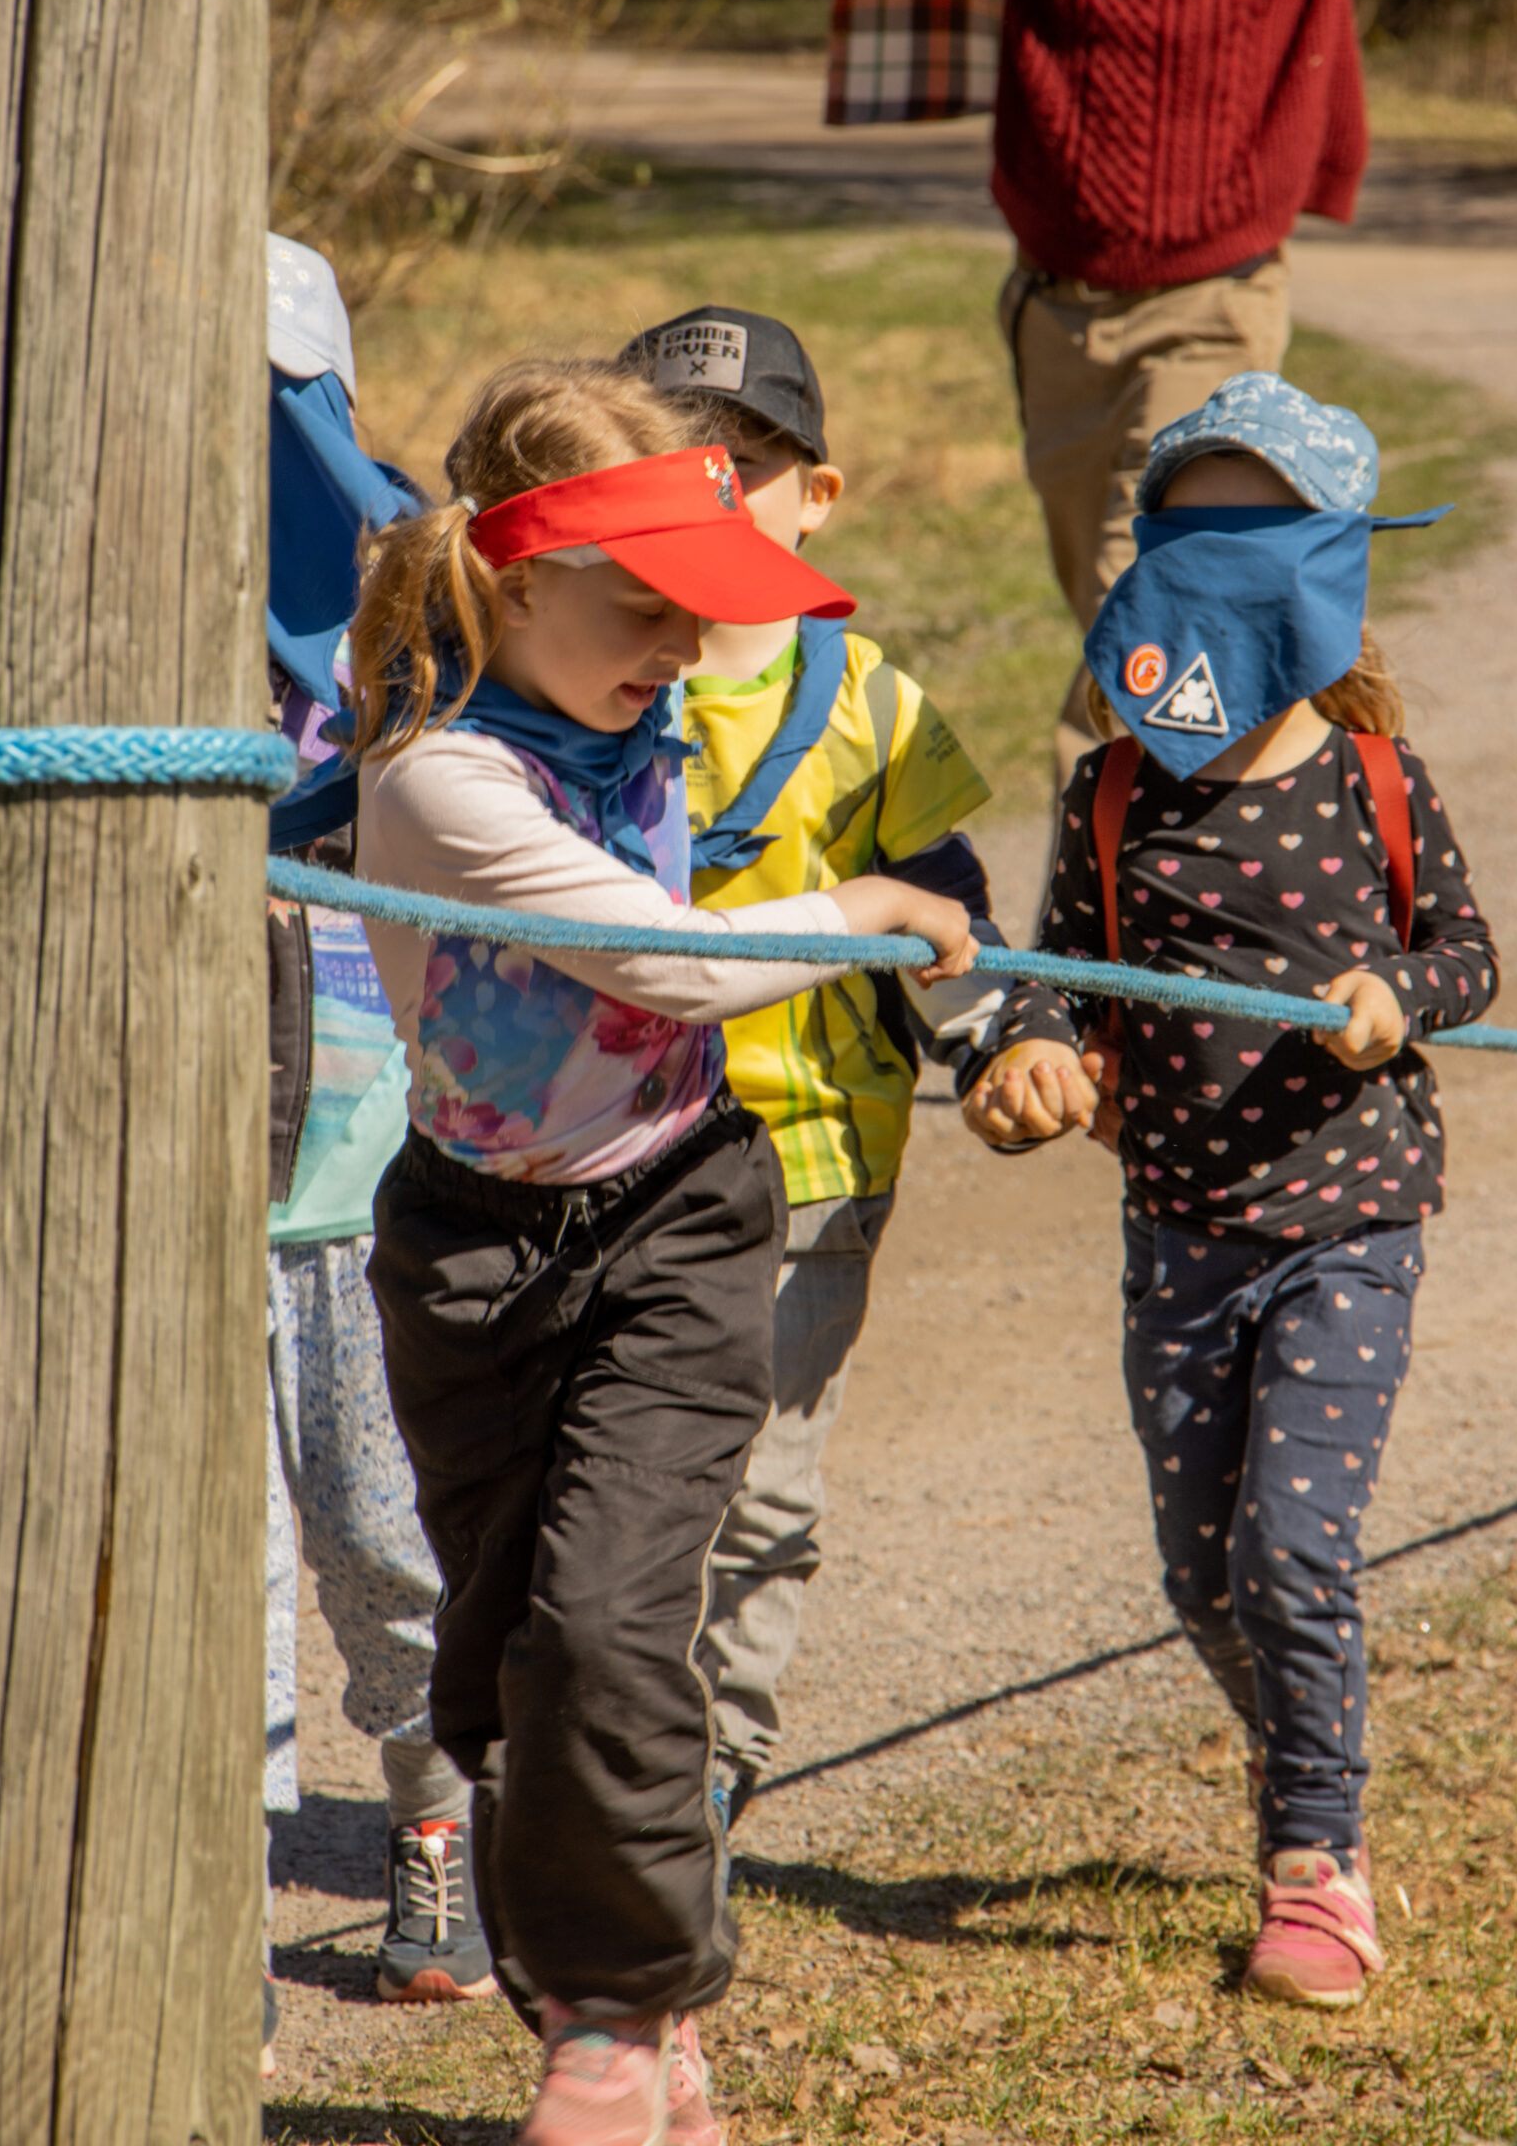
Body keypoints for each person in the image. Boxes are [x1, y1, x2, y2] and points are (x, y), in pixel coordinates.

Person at [349, 359, 980, 2144]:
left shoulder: (641, 711)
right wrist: (857, 914)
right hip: (470, 1257)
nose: (680, 654)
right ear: (507, 581)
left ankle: (622, 2018)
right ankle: (604, 1998)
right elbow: (669, 964)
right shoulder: (438, 787)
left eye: (698, 617)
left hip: (681, 1216)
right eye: (641, 607)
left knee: (608, 1623)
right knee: (501, 1676)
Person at [780, 0, 1517, 794]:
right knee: (1172, 641)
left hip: (1211, 302)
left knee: (1141, 645)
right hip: (1051, 306)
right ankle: (1280, 867)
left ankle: (1101, 962)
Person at [963, 374, 1499, 2008]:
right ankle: (1314, 1752)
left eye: (1252, 539)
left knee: (1285, 1548)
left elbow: (1469, 955)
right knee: (1202, 1572)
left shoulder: (1375, 780)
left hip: (1349, 1225)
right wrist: (1027, 1062)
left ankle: (1313, 1865)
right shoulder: (1110, 792)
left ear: (1325, 573)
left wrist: (1404, 995)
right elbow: (1054, 981)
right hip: (1179, 1231)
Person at [620, 306, 1012, 1816]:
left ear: (816, 498)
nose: (711, 489)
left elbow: (951, 919)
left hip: (808, 1161)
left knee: (756, 1498)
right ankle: (596, 1752)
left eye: (748, 462)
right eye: (668, 462)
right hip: (595, 1147)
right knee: (602, 1481)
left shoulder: (871, 710)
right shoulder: (569, 674)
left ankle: (709, 1765)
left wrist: (997, 1056)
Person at [261, 236, 494, 2053]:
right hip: (139, 1206)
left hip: (354, 1191)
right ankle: (202, 1921)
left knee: (388, 1552)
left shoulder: (404, 626)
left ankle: (432, 1811)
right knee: (220, 1594)